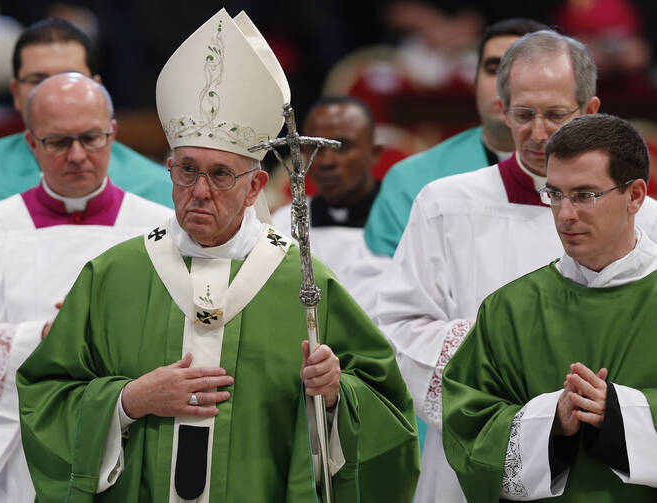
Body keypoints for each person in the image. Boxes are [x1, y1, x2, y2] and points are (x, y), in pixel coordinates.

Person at [16, 9, 419, 502]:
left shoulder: (303, 281)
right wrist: (127, 401)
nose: (199, 191)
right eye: (187, 170)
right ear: (168, 170)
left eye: (220, 175)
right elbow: (44, 399)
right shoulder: (113, 275)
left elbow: (389, 418)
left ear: (255, 187)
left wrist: (336, 396)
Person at [373, 30, 657, 502]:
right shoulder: (445, 204)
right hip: (483, 449)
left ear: (589, 110)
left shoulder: (644, 215)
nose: (539, 132)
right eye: (524, 115)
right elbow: (397, 330)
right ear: (503, 110)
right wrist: (500, 352)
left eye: (555, 115)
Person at [0, 74, 172, 503]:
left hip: (132, 443)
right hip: (16, 454)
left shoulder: (162, 230)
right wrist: (42, 337)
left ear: (112, 132)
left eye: (91, 138)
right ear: (31, 142)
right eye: (58, 142)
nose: (77, 156)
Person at [443, 113, 657, 501]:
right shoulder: (508, 309)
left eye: (585, 195)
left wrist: (621, 414)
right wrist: (549, 422)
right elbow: (468, 432)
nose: (565, 214)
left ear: (636, 195)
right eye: (555, 194)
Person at [0, 17, 174, 273]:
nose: (55, 92)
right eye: (37, 80)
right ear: (15, 93)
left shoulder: (157, 188)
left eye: (70, 78)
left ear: (97, 88)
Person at [362, 17, 549, 259]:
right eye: (494, 69)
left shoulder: (596, 180)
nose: (505, 84)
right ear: (474, 80)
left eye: (524, 69)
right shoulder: (410, 182)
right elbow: (382, 282)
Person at [271, 95, 381, 290]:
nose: (326, 161)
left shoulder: (405, 220)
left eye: (342, 146)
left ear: (374, 152)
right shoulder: (283, 225)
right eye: (314, 147)